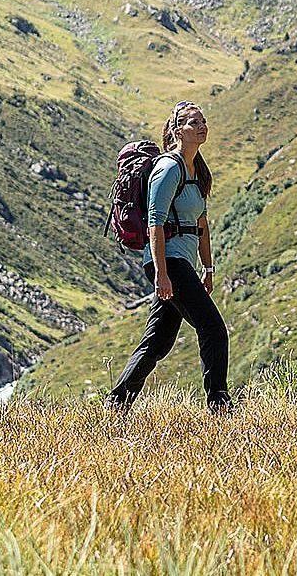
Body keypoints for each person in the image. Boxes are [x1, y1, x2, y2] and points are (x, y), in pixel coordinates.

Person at [108, 101, 230, 411]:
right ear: (177, 131)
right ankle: (219, 404)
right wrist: (161, 274)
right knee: (213, 328)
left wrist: (208, 268)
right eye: (193, 123)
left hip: (181, 263)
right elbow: (155, 221)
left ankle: (116, 404)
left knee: (157, 342)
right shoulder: (168, 168)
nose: (201, 126)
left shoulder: (196, 170)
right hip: (168, 262)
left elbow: (201, 224)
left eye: (202, 121)